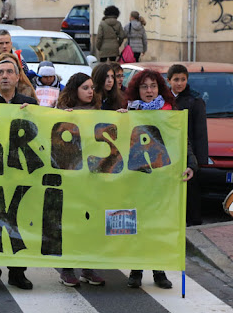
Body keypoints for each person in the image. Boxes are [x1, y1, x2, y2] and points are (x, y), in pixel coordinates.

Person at [124, 69, 197, 289]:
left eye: (153, 86)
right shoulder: (128, 111)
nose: (149, 90)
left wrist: (191, 164)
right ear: (137, 90)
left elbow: (183, 142)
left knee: (158, 225)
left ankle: (159, 271)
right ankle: (136, 270)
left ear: (159, 88)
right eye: (144, 86)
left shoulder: (171, 112)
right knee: (137, 224)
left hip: (162, 180)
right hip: (136, 179)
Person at [0, 58, 37, 291]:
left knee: (18, 220)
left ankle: (17, 272)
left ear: (17, 77)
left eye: (9, 72)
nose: (4, 76)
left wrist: (31, 115)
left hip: (19, 172)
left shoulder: (29, 103)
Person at [55, 73, 107, 286]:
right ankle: (67, 268)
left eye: (92, 87)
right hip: (70, 176)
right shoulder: (61, 113)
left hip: (92, 177)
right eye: (85, 87)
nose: (90, 91)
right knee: (70, 221)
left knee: (90, 222)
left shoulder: (99, 113)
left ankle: (87, 268)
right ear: (75, 89)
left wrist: (122, 118)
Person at [167, 64, 208, 226]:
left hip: (188, 153)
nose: (179, 83)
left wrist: (200, 160)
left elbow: (200, 133)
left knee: (191, 190)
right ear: (168, 80)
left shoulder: (194, 100)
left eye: (183, 79)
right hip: (170, 151)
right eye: (176, 79)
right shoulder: (163, 99)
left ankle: (193, 221)